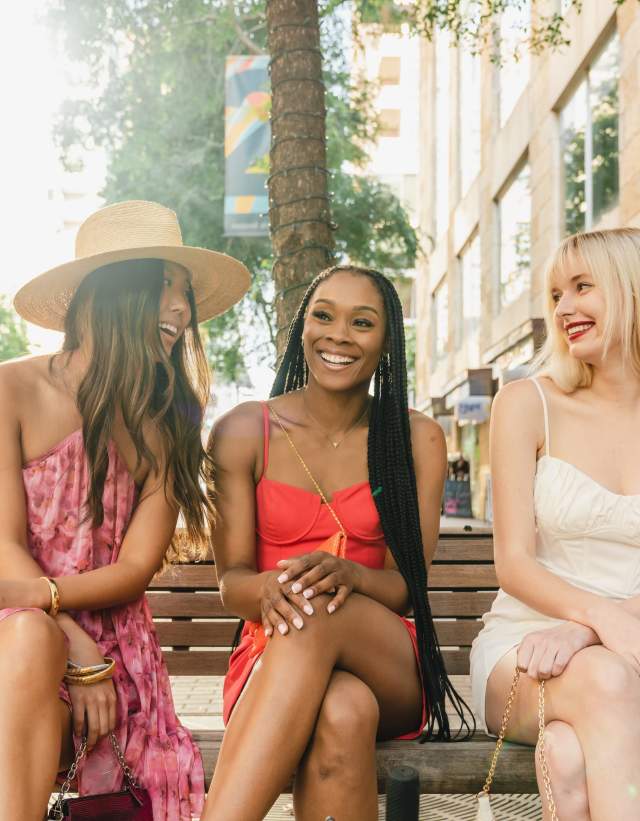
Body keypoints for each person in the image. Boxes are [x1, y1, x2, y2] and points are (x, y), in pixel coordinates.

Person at [0, 200, 250, 821]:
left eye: (185, 294)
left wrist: (88, 651)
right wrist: (73, 643)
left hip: (113, 651)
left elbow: (135, 568)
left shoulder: (167, 422)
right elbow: (3, 545)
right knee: (29, 638)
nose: (182, 310)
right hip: (18, 632)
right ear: (112, 293)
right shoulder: (10, 391)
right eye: (164, 286)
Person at [203, 264, 472, 821]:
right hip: (268, 657)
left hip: (388, 659)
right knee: (343, 711)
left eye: (362, 322)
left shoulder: (415, 437)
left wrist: (348, 575)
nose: (339, 335)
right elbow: (231, 583)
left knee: (316, 606)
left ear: (386, 339)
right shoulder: (242, 431)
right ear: (303, 326)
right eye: (323, 316)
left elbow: (405, 589)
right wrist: (269, 587)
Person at [470, 227, 640, 820]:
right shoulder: (527, 402)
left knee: (568, 754)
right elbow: (513, 563)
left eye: (582, 287)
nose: (564, 308)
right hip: (526, 648)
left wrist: (590, 632)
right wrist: (595, 622)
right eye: (556, 295)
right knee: (609, 681)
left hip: (624, 637)